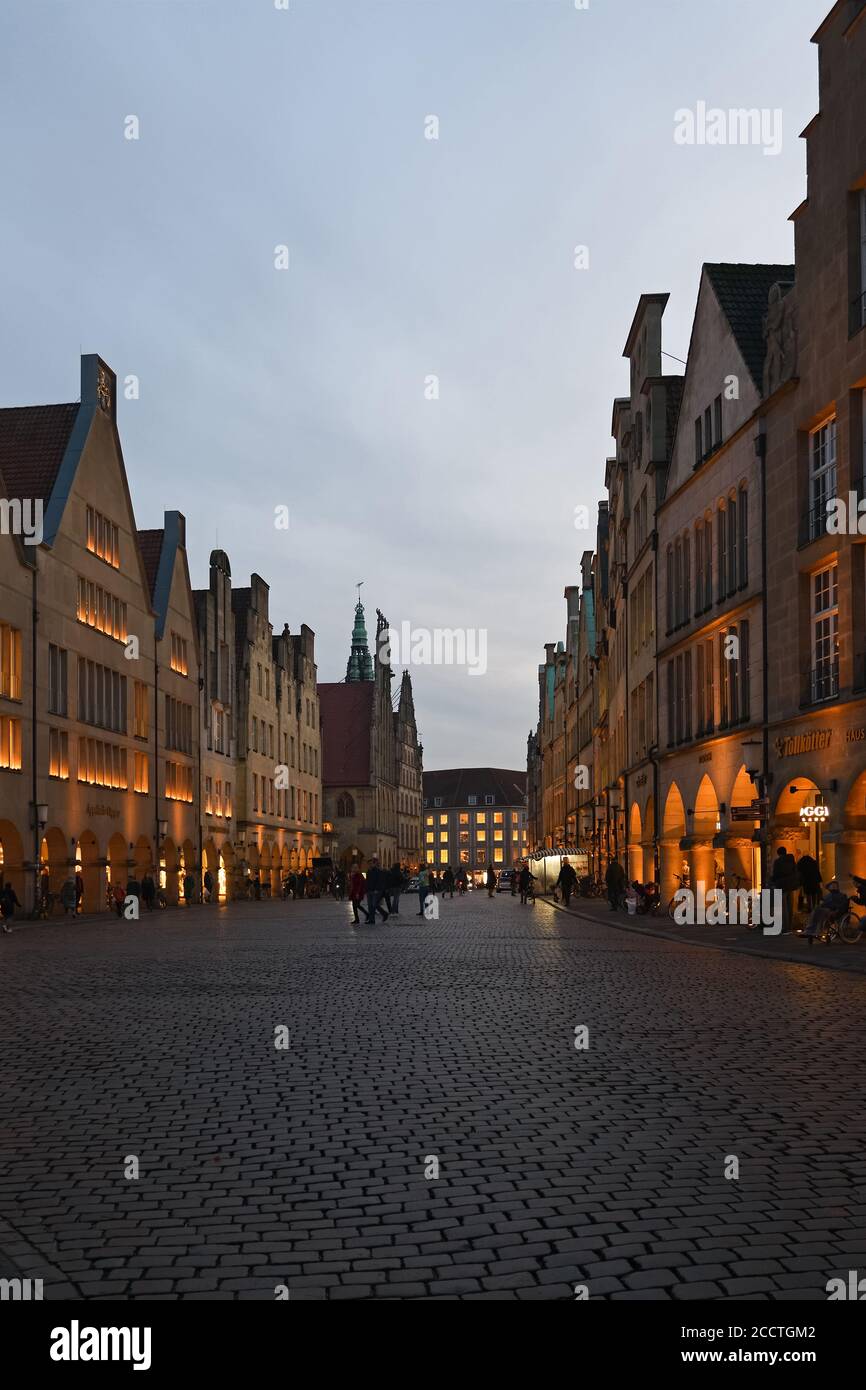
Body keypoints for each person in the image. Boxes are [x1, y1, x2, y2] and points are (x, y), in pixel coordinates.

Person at [803, 879, 848, 945]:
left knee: (822, 912)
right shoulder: (827, 896)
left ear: (837, 886)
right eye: (832, 885)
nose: (833, 886)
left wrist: (836, 910)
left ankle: (817, 931)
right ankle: (809, 930)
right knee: (816, 910)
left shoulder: (842, 895)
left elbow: (843, 905)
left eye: (835, 885)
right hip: (826, 909)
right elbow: (822, 904)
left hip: (834, 911)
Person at [771, 845, 799, 933]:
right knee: (790, 906)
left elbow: (776, 874)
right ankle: (790, 925)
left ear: (779, 854)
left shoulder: (778, 862)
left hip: (782, 885)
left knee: (783, 908)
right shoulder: (791, 860)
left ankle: (785, 927)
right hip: (791, 885)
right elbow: (795, 871)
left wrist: (773, 881)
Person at [365, 856, 389, 924]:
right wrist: (366, 889)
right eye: (369, 864)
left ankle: (383, 914)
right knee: (370, 906)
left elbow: (380, 881)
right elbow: (367, 881)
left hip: (375, 891)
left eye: (371, 863)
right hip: (369, 890)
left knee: (374, 905)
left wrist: (377, 889)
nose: (370, 865)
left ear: (374, 864)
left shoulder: (378, 871)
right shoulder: (368, 871)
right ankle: (372, 920)